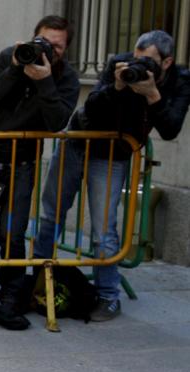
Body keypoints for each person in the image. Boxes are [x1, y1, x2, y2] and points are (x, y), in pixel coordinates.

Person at [35, 30, 190, 321]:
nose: (138, 65)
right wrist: (117, 86)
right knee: (50, 215)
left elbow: (170, 129)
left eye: (148, 62)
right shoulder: (119, 64)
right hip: (78, 141)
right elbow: (93, 106)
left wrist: (152, 94)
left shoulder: (180, 81)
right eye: (136, 57)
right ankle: (36, 282)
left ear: (167, 62)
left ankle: (108, 296)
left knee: (104, 229)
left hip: (113, 155)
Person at [0, 15, 80, 330]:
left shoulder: (66, 78)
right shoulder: (11, 56)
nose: (48, 49)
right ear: (33, 37)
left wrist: (45, 81)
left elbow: (56, 123)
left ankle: (10, 296)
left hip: (22, 164)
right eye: (44, 42)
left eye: (56, 46)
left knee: (12, 234)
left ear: (65, 49)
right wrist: (15, 68)